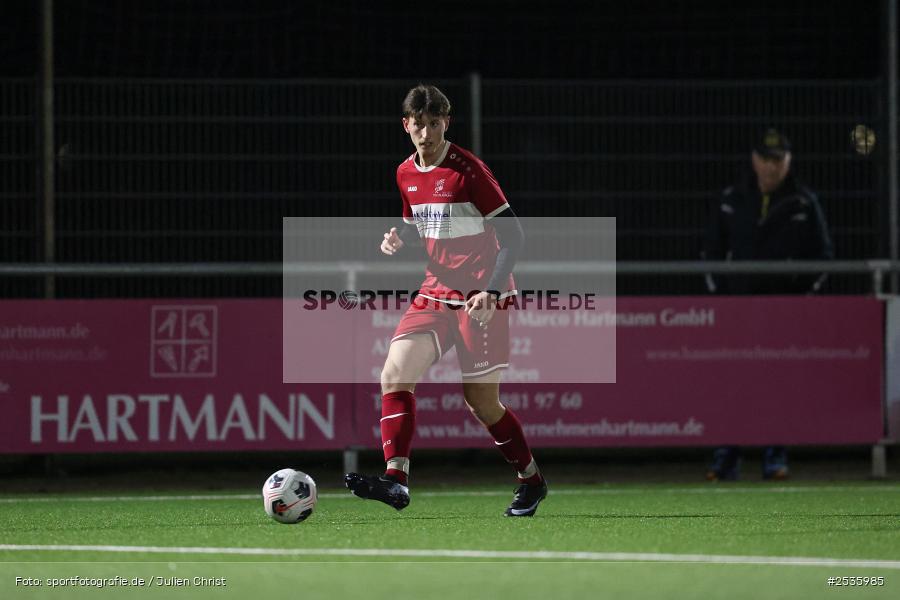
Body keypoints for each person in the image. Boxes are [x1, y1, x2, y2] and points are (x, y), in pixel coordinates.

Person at [344, 84, 548, 516]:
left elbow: (514, 236)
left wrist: (492, 291)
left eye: (434, 123)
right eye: (418, 124)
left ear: (445, 123)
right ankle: (396, 480)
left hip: (481, 296)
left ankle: (530, 480)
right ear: (406, 125)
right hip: (436, 291)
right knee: (394, 374)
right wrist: (398, 235)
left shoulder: (468, 171)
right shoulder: (404, 173)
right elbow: (420, 222)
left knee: (481, 402)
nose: (426, 133)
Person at [702, 128, 834, 481]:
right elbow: (710, 255)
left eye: (779, 159)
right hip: (738, 312)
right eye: (766, 158)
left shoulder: (805, 202)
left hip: (783, 313)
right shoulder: (730, 199)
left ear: (789, 161)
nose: (772, 166)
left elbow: (823, 259)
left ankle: (775, 457)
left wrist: (800, 302)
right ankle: (726, 456)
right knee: (733, 384)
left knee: (778, 384)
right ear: (754, 159)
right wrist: (723, 304)